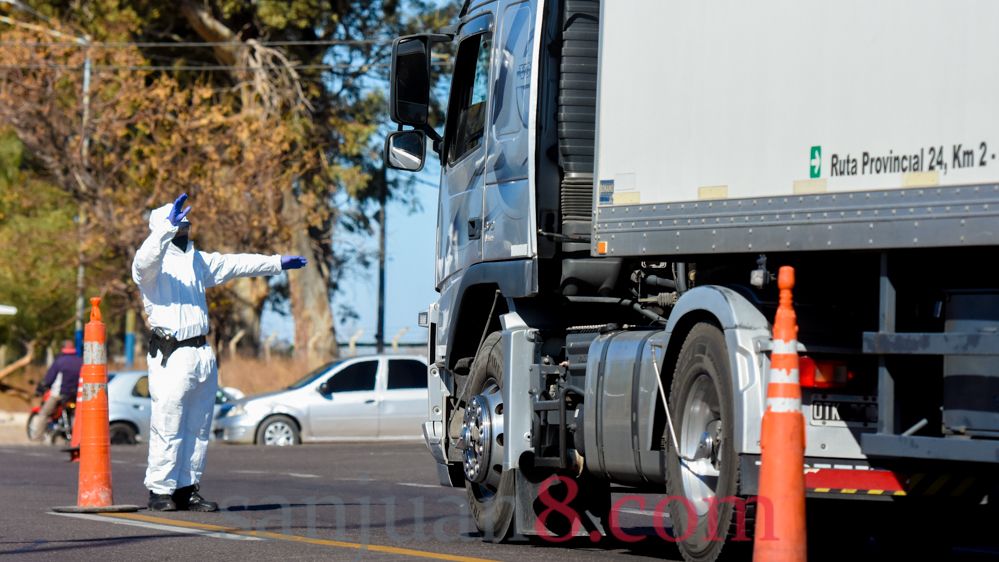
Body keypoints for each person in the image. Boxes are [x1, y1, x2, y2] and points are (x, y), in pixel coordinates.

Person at [132, 193, 307, 512]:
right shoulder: (152, 269)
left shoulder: (196, 261)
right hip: (172, 352)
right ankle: (160, 489)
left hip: (200, 351)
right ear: (162, 227)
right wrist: (163, 232)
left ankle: (187, 488)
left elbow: (235, 263)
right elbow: (145, 262)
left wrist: (276, 263)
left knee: (198, 427)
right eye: (176, 221)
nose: (183, 226)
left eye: (183, 221)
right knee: (167, 423)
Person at [30, 340, 82, 441]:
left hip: (60, 394)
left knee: (44, 413)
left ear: (63, 349)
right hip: (76, 395)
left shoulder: (59, 361)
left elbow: (49, 378)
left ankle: (38, 437)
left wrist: (41, 388)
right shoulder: (80, 361)